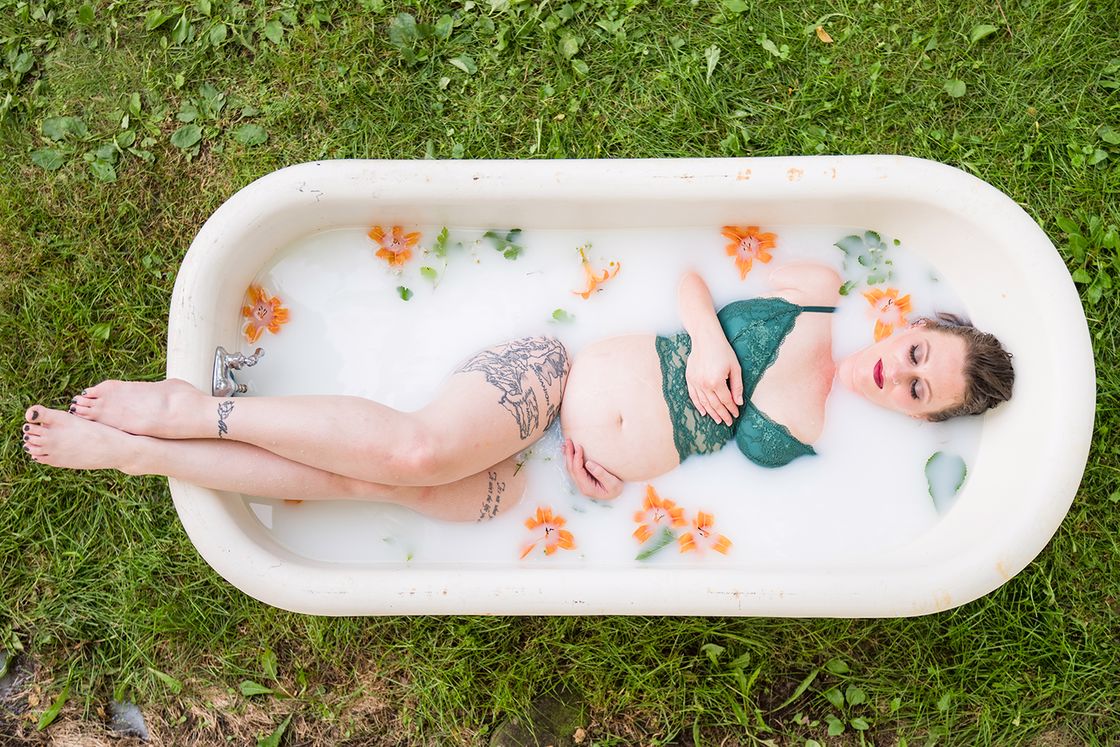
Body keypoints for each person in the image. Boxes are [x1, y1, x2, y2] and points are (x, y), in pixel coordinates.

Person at [20, 264, 1014, 522]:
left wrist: (612, 484)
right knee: (413, 452)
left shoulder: (812, 444)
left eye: (924, 394)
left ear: (917, 416)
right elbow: (687, 286)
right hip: (546, 382)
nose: (907, 374)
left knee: (387, 489)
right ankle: (197, 414)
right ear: (916, 326)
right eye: (923, 354)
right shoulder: (815, 301)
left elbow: (704, 461)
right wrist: (710, 338)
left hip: (550, 470)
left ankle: (144, 455)